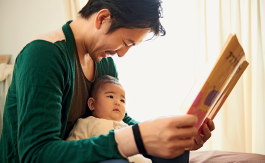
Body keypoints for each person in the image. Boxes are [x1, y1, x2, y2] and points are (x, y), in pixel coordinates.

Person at [0, 0, 215, 163]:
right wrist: (134, 139)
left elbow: (119, 120)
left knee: (174, 155)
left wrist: (171, 136)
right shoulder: (44, 54)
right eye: (125, 42)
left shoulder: (103, 61)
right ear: (102, 19)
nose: (122, 54)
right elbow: (36, 154)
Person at [66, 75, 151, 163]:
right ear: (92, 104)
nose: (118, 102)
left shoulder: (127, 127)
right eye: (110, 96)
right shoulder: (86, 123)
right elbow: (71, 149)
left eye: (122, 100)